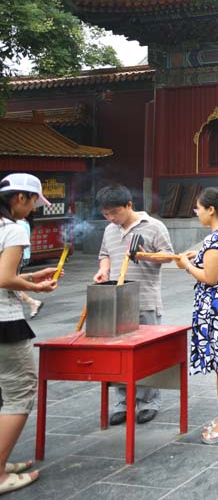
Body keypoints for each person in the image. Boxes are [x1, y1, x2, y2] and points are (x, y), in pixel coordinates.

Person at [93, 184, 173, 426]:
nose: (111, 218)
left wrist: (143, 255)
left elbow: (168, 255)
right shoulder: (109, 230)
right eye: (106, 214)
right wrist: (103, 270)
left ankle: (149, 401)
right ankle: (123, 401)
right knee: (117, 354)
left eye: (115, 212)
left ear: (129, 205)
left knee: (147, 353)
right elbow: (104, 254)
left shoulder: (154, 226)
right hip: (116, 300)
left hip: (146, 298)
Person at [0, 174, 59, 495]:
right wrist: (35, 286)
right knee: (20, 390)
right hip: (4, 322)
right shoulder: (12, 229)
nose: (34, 207)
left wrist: (31, 274)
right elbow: (4, 278)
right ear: (20, 198)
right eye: (34, 200)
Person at [176, 187, 218, 444]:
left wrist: (187, 266)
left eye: (198, 208)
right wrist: (201, 257)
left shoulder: (215, 239)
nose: (197, 212)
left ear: (211, 209)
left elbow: (210, 277)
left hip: (217, 307)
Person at [15, 217, 42, 319]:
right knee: (11, 283)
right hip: (23, 256)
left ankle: (33, 302)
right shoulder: (23, 222)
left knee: (10, 283)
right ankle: (33, 302)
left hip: (18, 257)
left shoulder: (18, 224)